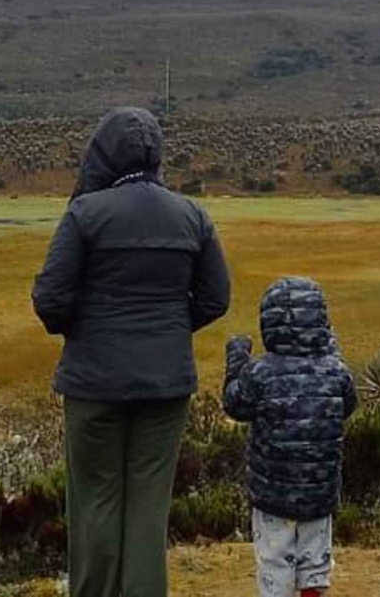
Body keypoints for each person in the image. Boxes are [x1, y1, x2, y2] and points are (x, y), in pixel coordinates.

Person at [31, 107, 232, 597]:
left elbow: (50, 299)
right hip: (166, 386)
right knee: (148, 507)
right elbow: (216, 298)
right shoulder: (192, 216)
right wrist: (168, 331)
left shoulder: (85, 214)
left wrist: (89, 330)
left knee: (95, 501)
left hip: (94, 383)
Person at [223, 277, 358, 597]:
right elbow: (348, 404)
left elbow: (234, 404)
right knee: (315, 557)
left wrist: (237, 361)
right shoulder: (335, 370)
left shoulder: (260, 373)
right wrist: (331, 351)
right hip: (320, 491)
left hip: (272, 494)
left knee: (275, 560)